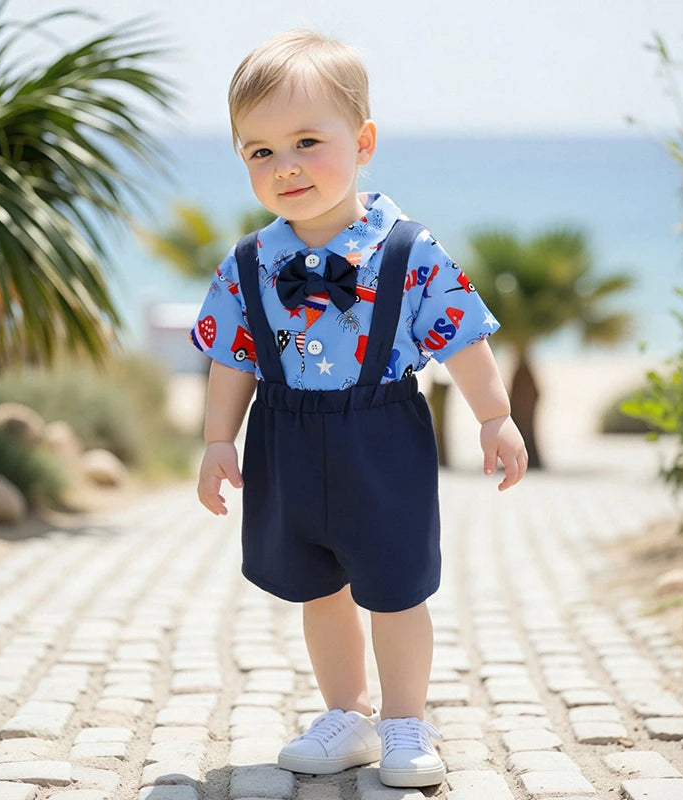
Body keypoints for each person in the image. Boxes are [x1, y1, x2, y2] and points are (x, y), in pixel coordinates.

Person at [191, 29, 527, 788]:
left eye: (307, 142)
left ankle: (406, 721)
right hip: (284, 438)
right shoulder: (248, 262)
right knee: (317, 588)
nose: (286, 166)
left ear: (363, 141)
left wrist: (494, 416)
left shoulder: (408, 250)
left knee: (396, 587)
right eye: (261, 151)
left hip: (381, 436)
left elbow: (461, 336)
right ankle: (347, 715)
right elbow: (232, 357)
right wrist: (217, 439)